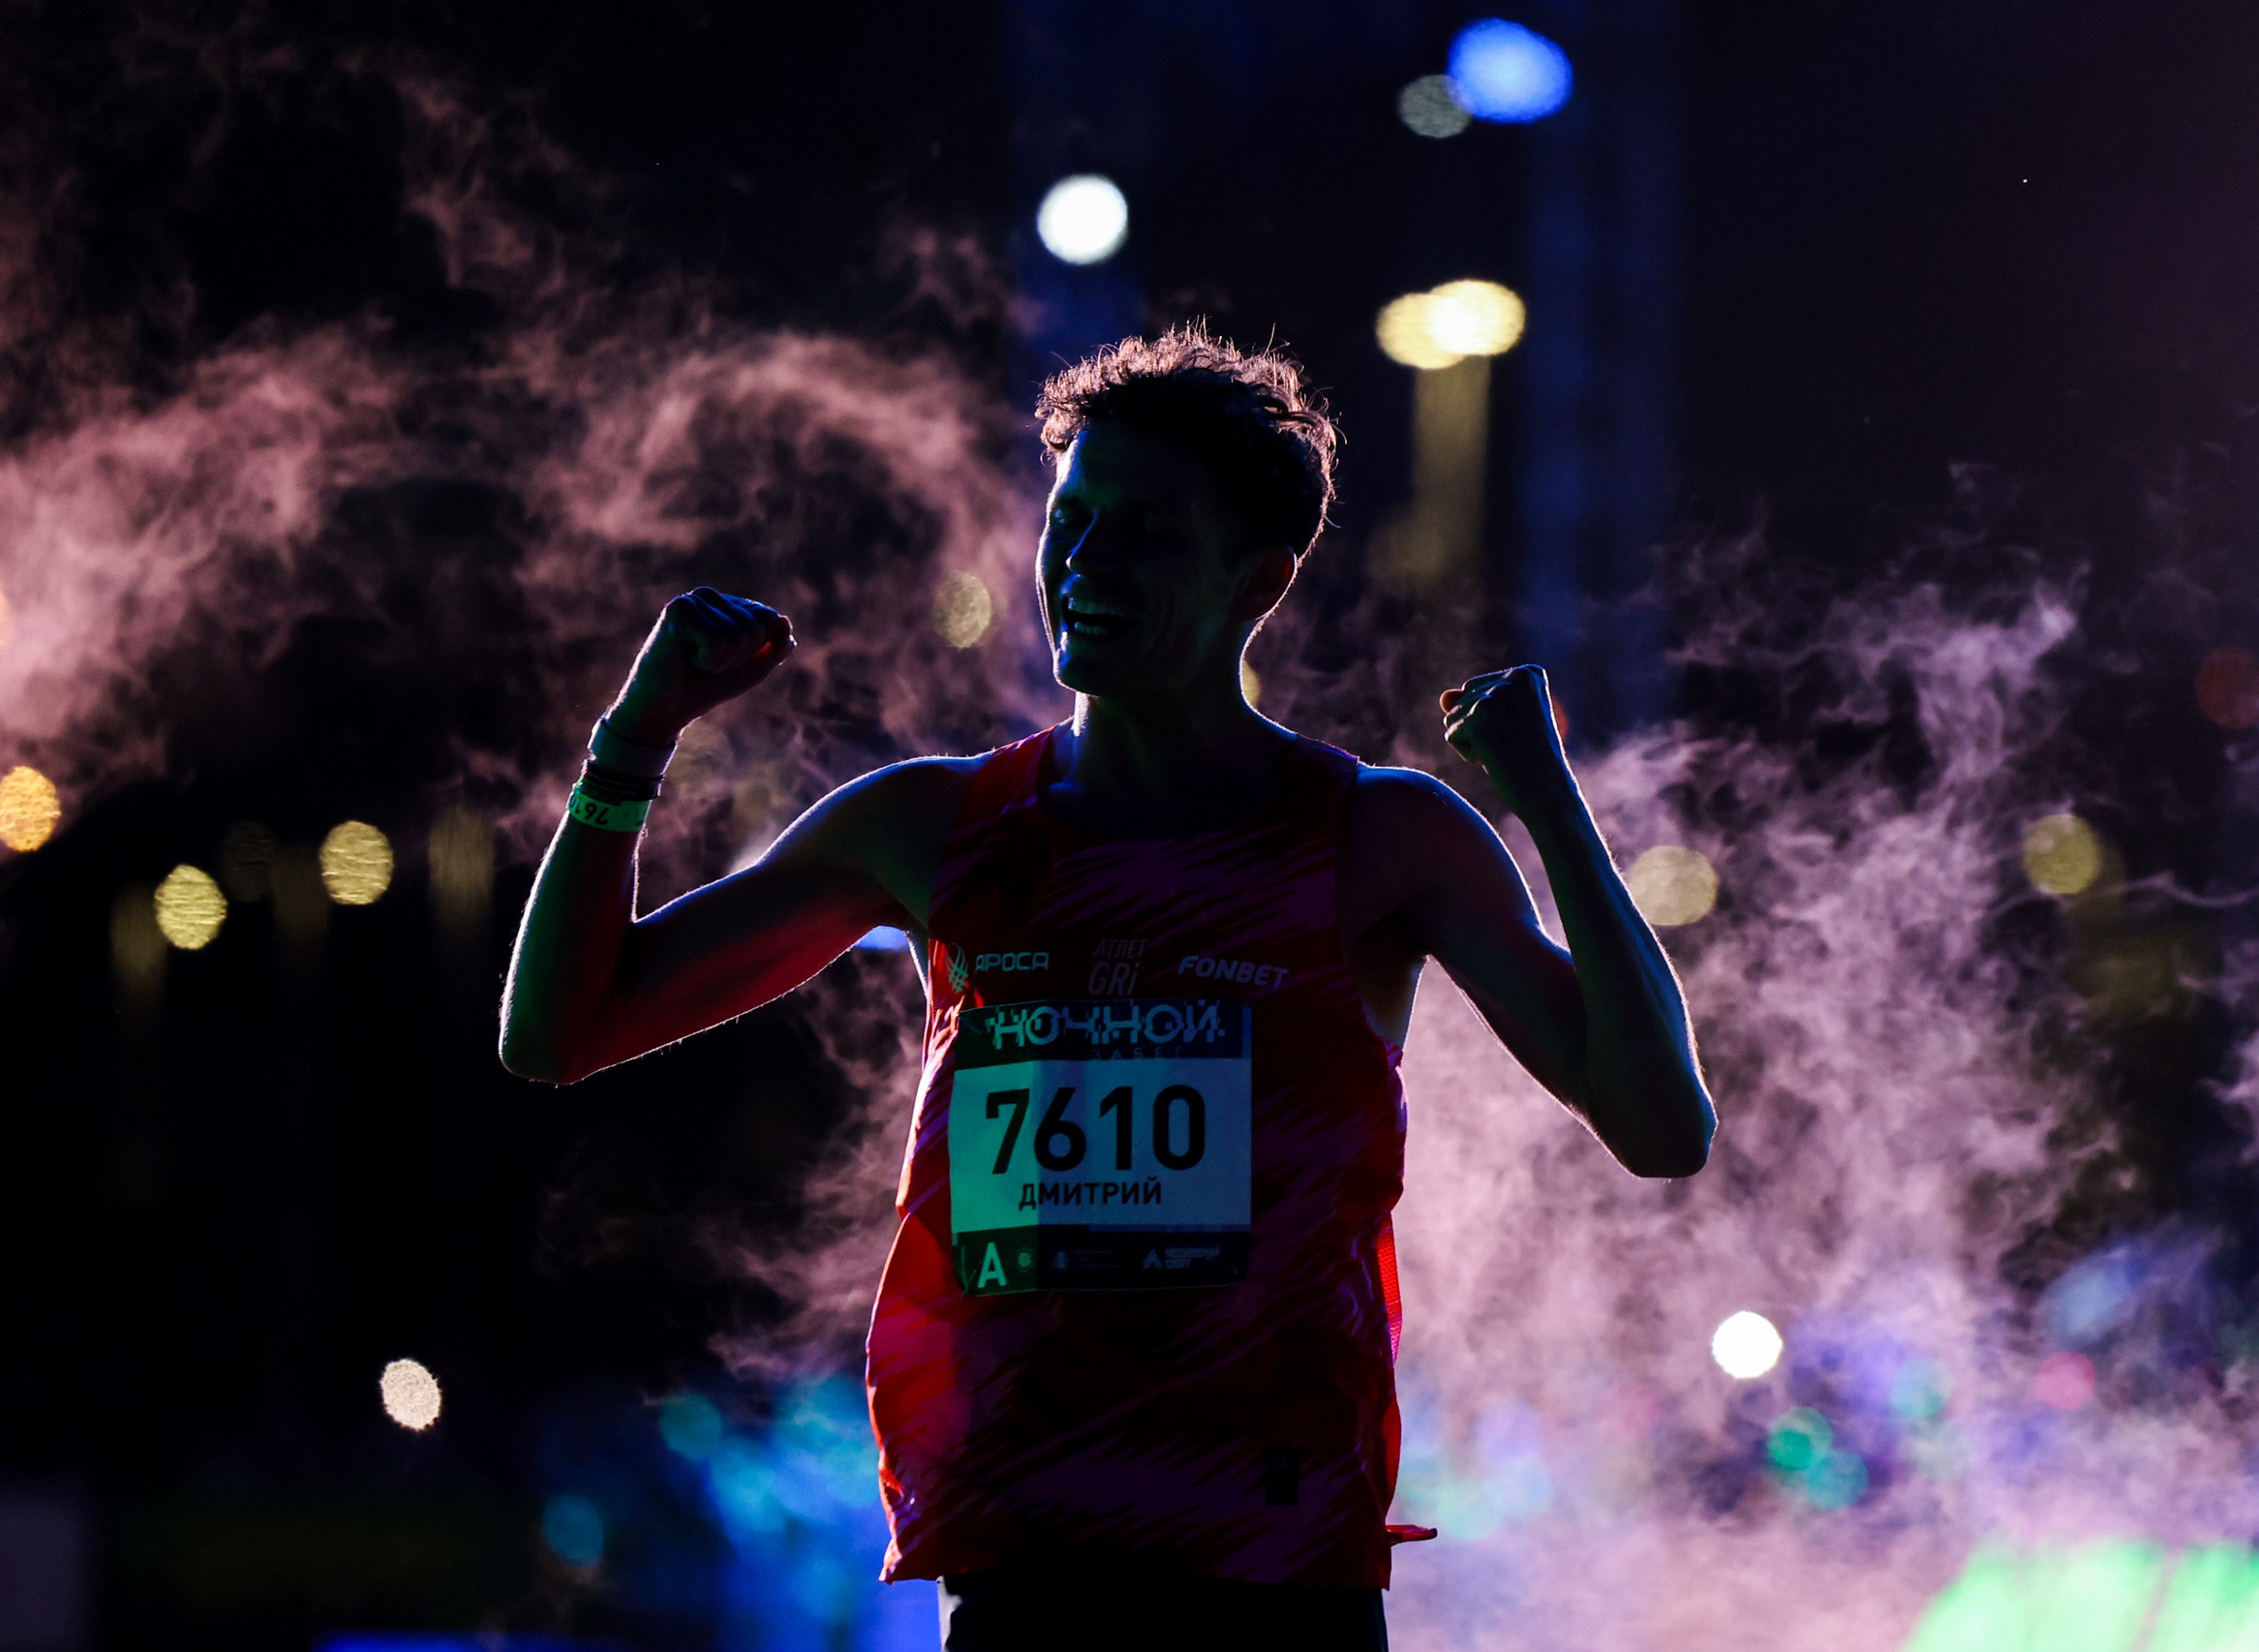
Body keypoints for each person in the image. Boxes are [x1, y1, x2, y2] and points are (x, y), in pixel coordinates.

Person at [500, 324, 1715, 1650]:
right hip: (1026, 1566)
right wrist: (634, 738)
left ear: (1262, 577)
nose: (1085, 562)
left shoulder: (1377, 837)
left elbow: (1662, 1128)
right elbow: (556, 1033)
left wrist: (1548, 803)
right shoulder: (933, 827)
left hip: (1277, 1575)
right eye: (1071, 519)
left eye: (1144, 532)